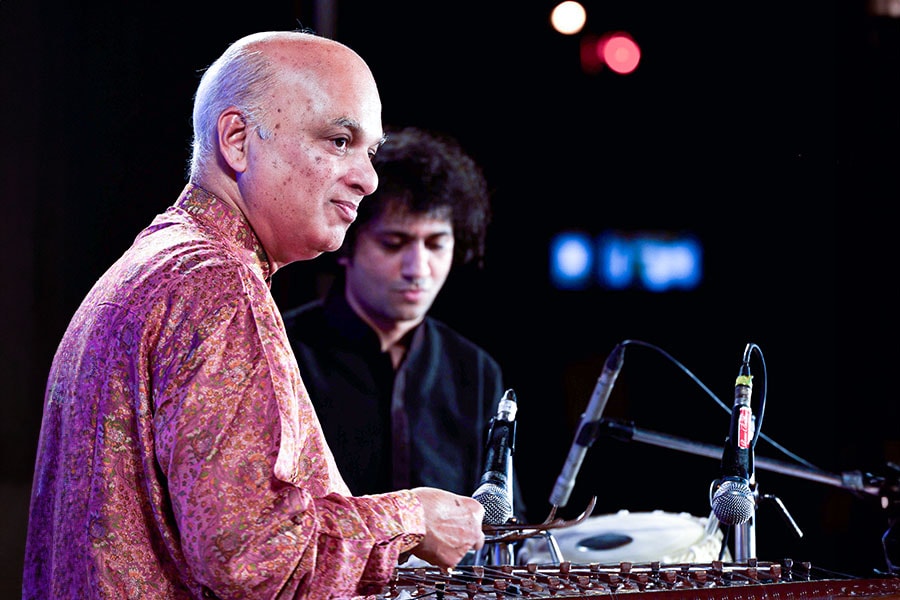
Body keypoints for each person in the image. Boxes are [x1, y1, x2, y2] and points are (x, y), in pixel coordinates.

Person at [22, 30, 485, 600]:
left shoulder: (158, 263)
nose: (368, 178)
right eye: (340, 141)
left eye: (369, 150)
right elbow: (255, 560)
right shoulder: (214, 283)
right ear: (238, 140)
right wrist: (413, 517)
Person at [281, 126, 526, 521]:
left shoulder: (475, 370)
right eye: (394, 244)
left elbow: (503, 520)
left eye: (435, 244)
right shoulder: (284, 350)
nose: (418, 269)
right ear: (346, 244)